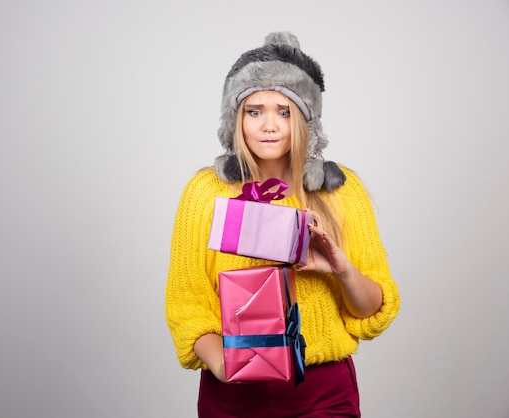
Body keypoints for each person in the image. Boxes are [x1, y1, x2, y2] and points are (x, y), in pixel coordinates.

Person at [165, 31, 400, 417]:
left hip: (321, 391)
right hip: (231, 392)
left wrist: (340, 270)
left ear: (305, 118)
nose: (268, 125)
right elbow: (186, 302)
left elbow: (372, 310)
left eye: (284, 111)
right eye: (254, 110)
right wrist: (224, 365)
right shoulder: (206, 192)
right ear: (235, 117)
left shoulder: (340, 191)